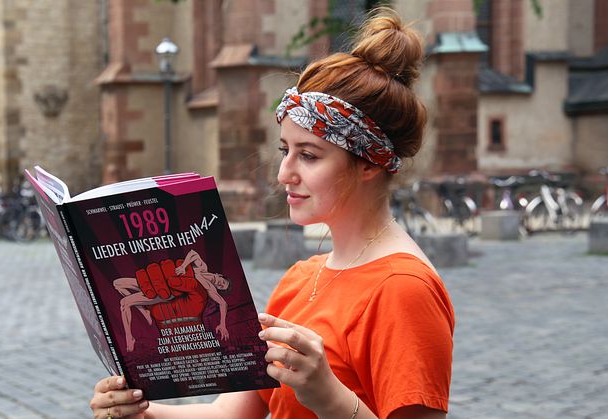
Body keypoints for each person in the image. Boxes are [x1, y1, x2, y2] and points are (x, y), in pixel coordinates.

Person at [90, 7, 454, 419]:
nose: (284, 173)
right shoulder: (301, 279)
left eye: (309, 156)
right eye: (285, 150)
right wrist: (143, 413)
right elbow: (232, 413)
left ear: (369, 163)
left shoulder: (405, 290)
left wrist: (329, 396)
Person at [113, 249, 231, 351]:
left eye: (221, 287)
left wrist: (223, 324)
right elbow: (193, 253)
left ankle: (129, 337)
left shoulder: (210, 289)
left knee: (124, 303)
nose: (220, 284)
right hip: (158, 279)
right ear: (219, 275)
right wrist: (183, 266)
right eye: (223, 282)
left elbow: (223, 303)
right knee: (118, 284)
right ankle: (143, 310)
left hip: (166, 292)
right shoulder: (202, 267)